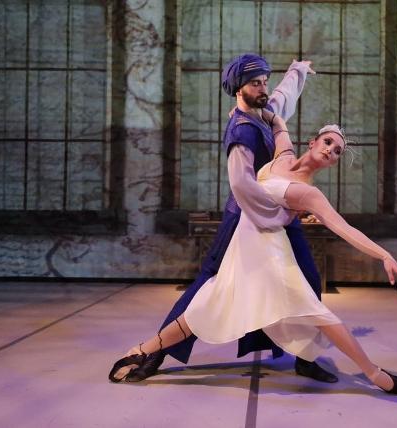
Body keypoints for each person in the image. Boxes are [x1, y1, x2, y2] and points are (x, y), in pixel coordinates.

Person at [110, 112, 397, 395]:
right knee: (204, 307)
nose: (330, 150)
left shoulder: (310, 193)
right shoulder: (283, 154)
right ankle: (140, 351)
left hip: (272, 257)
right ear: (313, 142)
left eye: (336, 152)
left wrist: (384, 255)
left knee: (317, 313)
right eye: (328, 142)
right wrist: (242, 110)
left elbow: (344, 228)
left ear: (333, 163)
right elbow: (277, 119)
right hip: (243, 251)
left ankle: (373, 374)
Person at [124, 53, 336, 383]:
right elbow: (241, 183)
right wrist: (273, 216)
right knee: (207, 286)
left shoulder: (264, 112)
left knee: (308, 278)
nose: (263, 88)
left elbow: (283, 97)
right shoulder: (242, 131)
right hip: (246, 216)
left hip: (280, 213)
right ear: (239, 88)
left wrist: (297, 70)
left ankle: (305, 358)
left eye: (264, 81)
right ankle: (155, 353)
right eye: (256, 83)